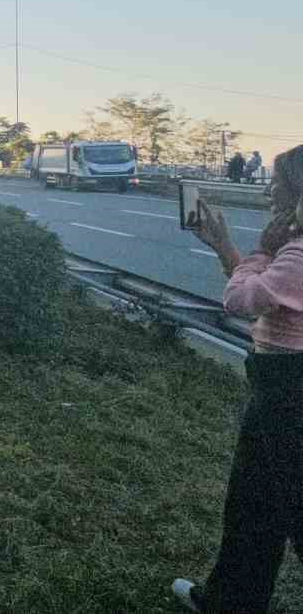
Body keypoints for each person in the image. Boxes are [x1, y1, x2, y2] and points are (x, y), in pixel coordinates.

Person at [175, 144, 303, 613]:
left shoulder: (297, 254)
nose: (271, 193)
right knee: (257, 500)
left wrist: (258, 252)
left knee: (273, 505)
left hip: (290, 391)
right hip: (280, 386)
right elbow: (272, 298)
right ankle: (230, 600)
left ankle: (232, 601)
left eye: (281, 187)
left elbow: (243, 299)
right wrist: (227, 248)